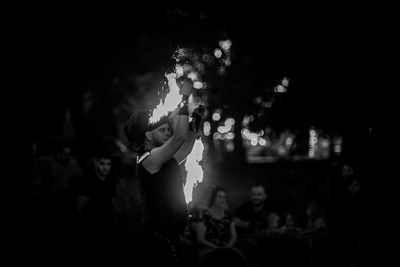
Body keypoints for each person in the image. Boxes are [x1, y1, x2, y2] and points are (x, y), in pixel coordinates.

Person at [123, 79, 202, 267]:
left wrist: (197, 119)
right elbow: (179, 138)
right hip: (156, 240)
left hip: (169, 237)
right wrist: (184, 99)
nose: (168, 132)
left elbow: (187, 145)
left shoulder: (163, 159)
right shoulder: (148, 159)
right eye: (163, 129)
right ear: (148, 135)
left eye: (169, 129)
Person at [75, 145, 117, 261]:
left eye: (108, 164)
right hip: (91, 227)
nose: (105, 168)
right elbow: (79, 207)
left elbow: (113, 203)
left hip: (107, 226)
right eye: (102, 164)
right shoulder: (87, 181)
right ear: (95, 163)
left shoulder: (110, 181)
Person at [195, 186, 240, 265]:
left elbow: (234, 235)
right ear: (213, 198)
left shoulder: (227, 215)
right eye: (219, 197)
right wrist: (217, 249)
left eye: (224, 197)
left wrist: (227, 248)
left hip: (227, 248)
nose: (222, 199)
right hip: (209, 249)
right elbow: (200, 238)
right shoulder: (204, 214)